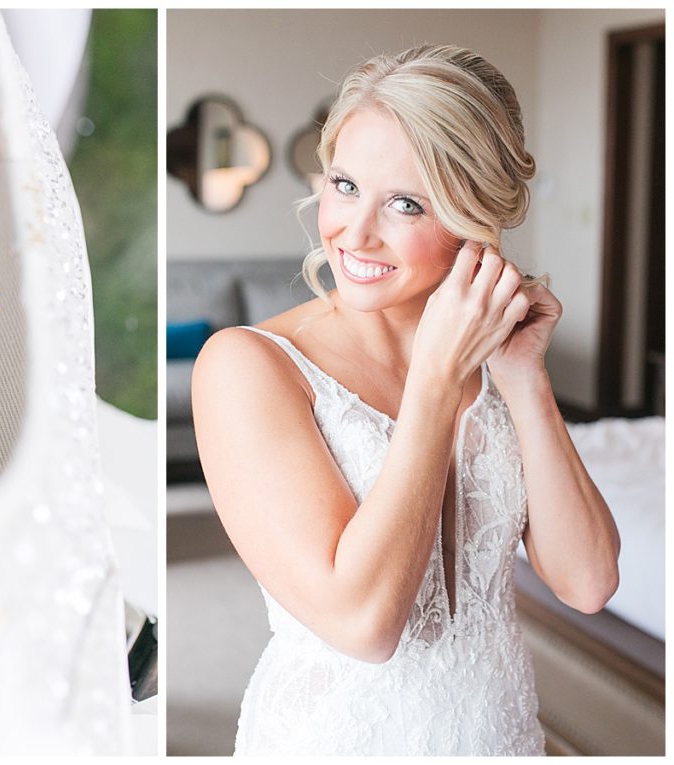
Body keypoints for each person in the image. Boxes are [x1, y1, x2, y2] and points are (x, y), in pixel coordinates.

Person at [192, 44, 620, 756]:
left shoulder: (498, 360)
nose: (355, 233)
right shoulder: (247, 366)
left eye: (406, 203)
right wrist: (435, 377)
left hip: (503, 735)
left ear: (474, 215)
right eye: (345, 183)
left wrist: (523, 377)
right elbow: (364, 625)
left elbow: (587, 580)